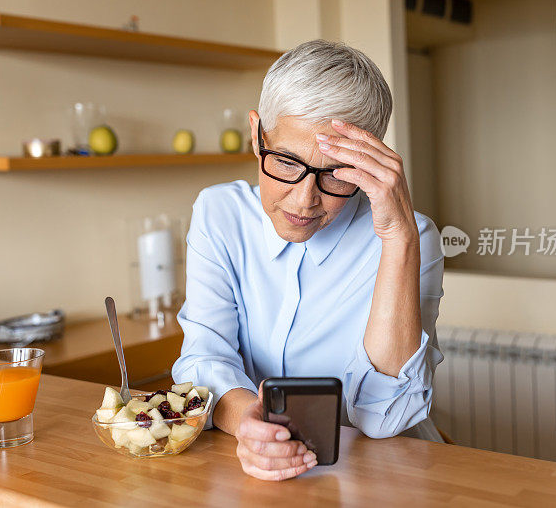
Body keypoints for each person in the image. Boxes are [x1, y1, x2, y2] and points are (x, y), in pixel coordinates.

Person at [172, 40, 444, 481]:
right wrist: (249, 422)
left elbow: (383, 417)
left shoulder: (411, 238)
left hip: (379, 477)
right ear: (256, 133)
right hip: (257, 473)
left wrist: (399, 239)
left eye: (335, 174)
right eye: (284, 161)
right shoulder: (218, 215)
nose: (304, 200)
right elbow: (204, 357)